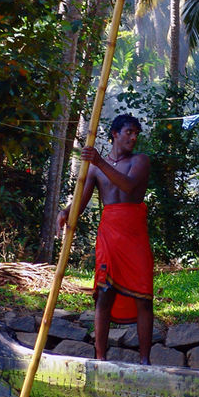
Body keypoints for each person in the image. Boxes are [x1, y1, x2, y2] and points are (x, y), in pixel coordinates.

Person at [57, 114, 154, 364]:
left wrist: (99, 161)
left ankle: (145, 361)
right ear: (114, 133)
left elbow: (129, 186)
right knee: (104, 293)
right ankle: (100, 358)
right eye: (129, 132)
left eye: (136, 134)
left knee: (144, 296)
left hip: (134, 234)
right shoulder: (95, 169)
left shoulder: (140, 161)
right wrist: (66, 213)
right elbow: (82, 201)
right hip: (109, 234)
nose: (133, 137)